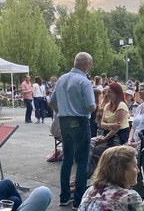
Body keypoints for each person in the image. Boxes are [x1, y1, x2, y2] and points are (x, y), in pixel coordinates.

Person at [51, 52, 96, 210]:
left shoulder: (62, 79)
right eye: (90, 65)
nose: (90, 68)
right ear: (85, 65)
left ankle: (64, 197)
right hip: (80, 120)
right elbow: (91, 106)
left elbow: (51, 101)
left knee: (67, 160)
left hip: (64, 121)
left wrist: (62, 110)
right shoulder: (84, 81)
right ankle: (78, 201)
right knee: (82, 162)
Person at [79, 146, 144, 211]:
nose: (138, 170)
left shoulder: (90, 191)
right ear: (124, 170)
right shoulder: (129, 196)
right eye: (135, 166)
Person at [89, 82, 130, 177]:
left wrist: (104, 139)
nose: (108, 94)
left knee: (96, 150)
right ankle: (87, 174)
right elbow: (102, 123)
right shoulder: (108, 106)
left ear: (117, 93)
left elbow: (116, 128)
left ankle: (90, 175)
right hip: (108, 134)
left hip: (119, 136)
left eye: (110, 92)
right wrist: (111, 125)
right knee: (89, 144)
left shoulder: (122, 106)